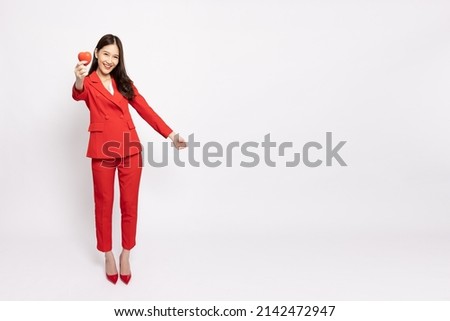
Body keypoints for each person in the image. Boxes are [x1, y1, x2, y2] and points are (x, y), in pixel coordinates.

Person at [72, 34, 186, 285]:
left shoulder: (124, 83)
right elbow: (78, 94)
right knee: (103, 205)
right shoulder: (87, 82)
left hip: (130, 150)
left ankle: (126, 253)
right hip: (102, 151)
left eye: (115, 56)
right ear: (97, 52)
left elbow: (145, 109)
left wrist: (171, 134)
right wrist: (78, 80)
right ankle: (108, 254)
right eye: (106, 54)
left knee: (129, 205)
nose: (110, 60)